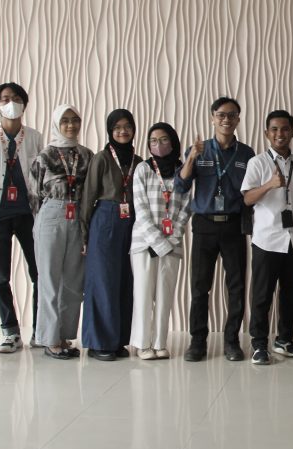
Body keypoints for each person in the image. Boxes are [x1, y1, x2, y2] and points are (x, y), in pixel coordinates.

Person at [176, 97, 255, 362]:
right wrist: (192, 157)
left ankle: (232, 341)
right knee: (200, 288)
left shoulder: (246, 154)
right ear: (212, 118)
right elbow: (181, 186)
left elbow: (251, 192)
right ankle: (197, 342)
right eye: (221, 115)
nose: (226, 119)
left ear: (238, 120)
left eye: (232, 115)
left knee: (236, 287)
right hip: (204, 225)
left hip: (233, 225)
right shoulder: (199, 150)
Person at [0, 82, 43, 353]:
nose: (11, 103)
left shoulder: (34, 137)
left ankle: (40, 330)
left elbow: (41, 177)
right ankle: (10, 333)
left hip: (28, 215)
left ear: (24, 104)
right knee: (0, 277)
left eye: (16, 98)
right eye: (5, 99)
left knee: (39, 273)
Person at [241, 110, 293, 365]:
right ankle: (259, 344)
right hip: (267, 239)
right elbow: (247, 199)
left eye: (285, 129)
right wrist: (270, 184)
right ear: (266, 133)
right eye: (274, 129)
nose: (280, 134)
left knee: (290, 294)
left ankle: (284, 339)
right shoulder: (257, 163)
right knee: (262, 295)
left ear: (292, 132)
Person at [29, 105, 93, 359]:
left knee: (74, 282)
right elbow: (34, 195)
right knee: (49, 279)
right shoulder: (44, 156)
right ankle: (49, 339)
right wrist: (41, 222)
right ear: (57, 124)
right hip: (51, 215)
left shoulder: (86, 155)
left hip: (78, 215)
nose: (70, 125)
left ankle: (65, 335)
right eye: (65, 121)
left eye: (75, 120)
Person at [81, 109, 142, 362]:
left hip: (132, 222)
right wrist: (84, 234)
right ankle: (98, 343)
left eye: (127, 126)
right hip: (105, 219)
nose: (122, 131)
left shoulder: (139, 161)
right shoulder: (102, 158)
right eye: (117, 127)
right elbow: (88, 196)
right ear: (110, 131)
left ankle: (117, 340)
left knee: (125, 281)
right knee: (103, 281)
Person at [130, 123, 191, 360]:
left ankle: (160, 343)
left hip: (172, 244)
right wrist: (158, 242)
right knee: (143, 294)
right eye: (153, 141)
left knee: (165, 296)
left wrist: (172, 238)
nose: (159, 145)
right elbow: (140, 209)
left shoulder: (183, 171)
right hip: (144, 243)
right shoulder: (143, 169)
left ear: (173, 142)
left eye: (164, 139)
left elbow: (186, 207)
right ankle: (143, 344)